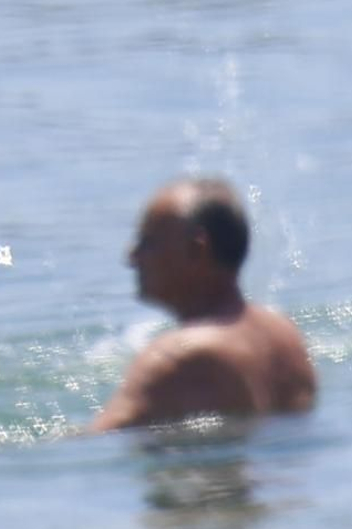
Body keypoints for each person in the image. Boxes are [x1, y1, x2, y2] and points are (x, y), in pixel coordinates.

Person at [90, 178, 316, 432]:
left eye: (148, 242)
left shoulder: (177, 357)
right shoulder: (285, 337)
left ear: (197, 248)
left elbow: (100, 439)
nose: (131, 257)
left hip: (208, 472)